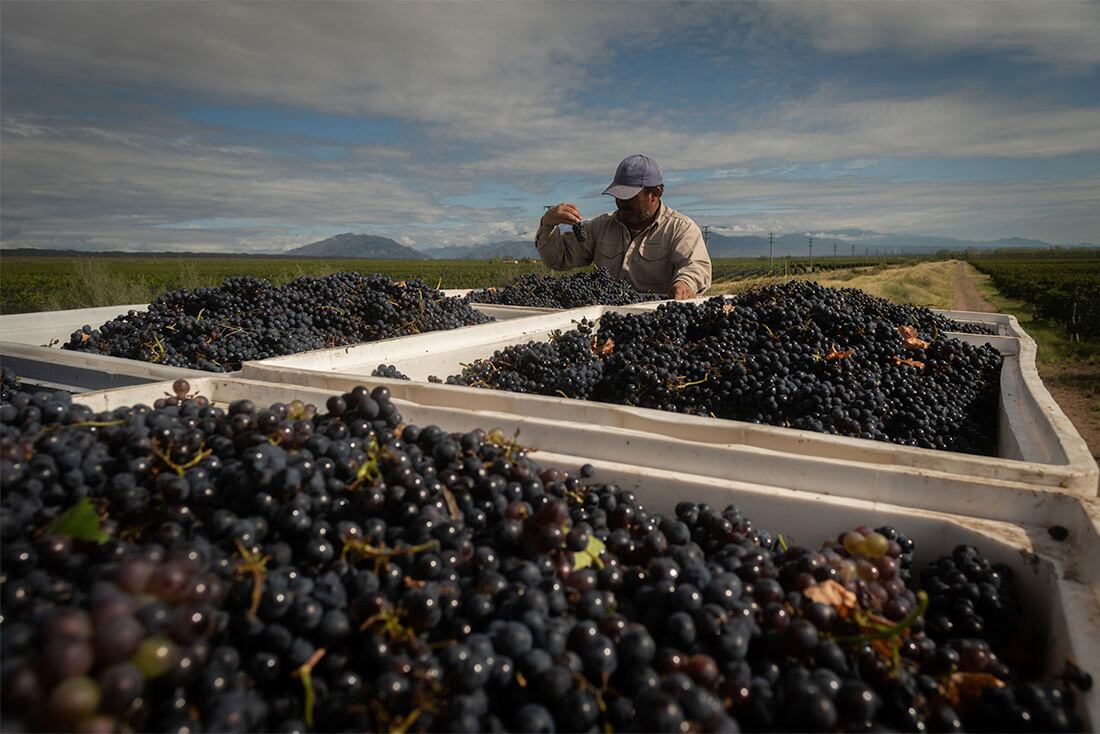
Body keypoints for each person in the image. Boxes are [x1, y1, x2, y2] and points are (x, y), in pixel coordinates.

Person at [536, 154, 712, 299]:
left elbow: (696, 266)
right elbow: (559, 259)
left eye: (629, 197)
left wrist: (685, 283)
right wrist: (548, 224)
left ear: (655, 194)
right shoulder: (601, 227)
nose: (620, 202)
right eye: (617, 195)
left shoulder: (680, 229)